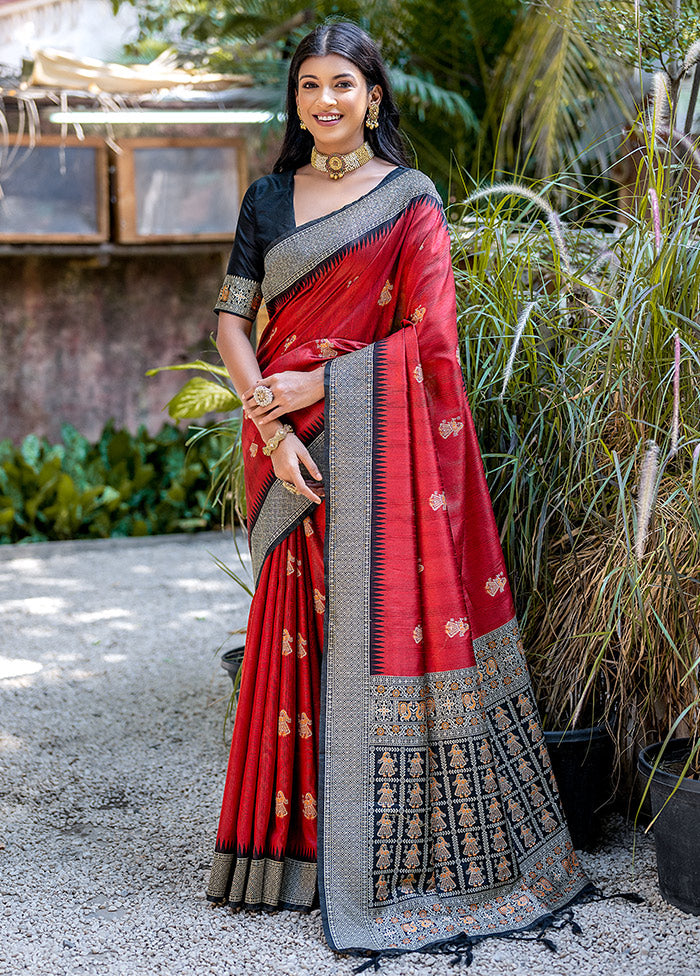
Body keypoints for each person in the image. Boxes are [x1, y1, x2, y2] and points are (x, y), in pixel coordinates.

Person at [206, 20, 590, 961]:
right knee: (296, 631)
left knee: (377, 629)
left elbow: (434, 339)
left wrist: (323, 387)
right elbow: (229, 322)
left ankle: (395, 850)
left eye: (343, 84)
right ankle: (286, 855)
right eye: (308, 87)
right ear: (294, 102)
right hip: (285, 445)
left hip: (374, 448)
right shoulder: (265, 199)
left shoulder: (410, 200)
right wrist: (271, 422)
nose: (325, 102)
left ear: (373, 96)